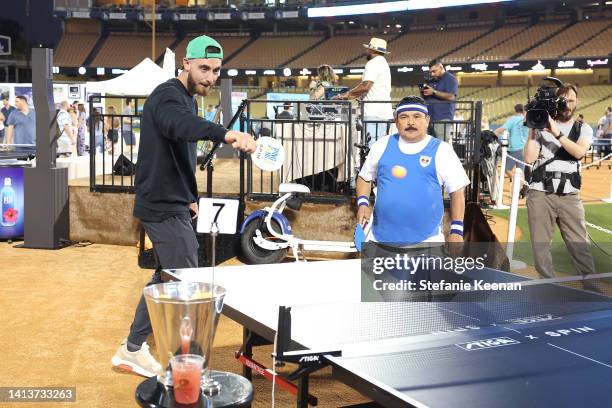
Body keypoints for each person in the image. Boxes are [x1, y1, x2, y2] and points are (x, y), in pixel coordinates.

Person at [111, 35, 256, 378]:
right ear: (186, 64)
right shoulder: (167, 96)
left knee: (167, 276)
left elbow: (179, 150)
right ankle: (182, 361)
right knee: (186, 281)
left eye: (216, 70)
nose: (210, 76)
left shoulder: (187, 99)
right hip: (161, 206)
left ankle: (132, 349)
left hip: (174, 201)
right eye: (203, 68)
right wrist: (226, 134)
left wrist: (189, 196)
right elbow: (181, 126)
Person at [523, 83, 596, 280]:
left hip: (569, 194)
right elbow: (529, 159)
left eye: (572, 100)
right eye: (564, 100)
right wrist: (533, 128)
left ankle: (591, 285)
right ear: (556, 101)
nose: (568, 104)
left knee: (579, 244)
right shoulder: (541, 125)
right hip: (540, 192)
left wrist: (556, 132)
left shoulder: (583, 128)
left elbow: (579, 152)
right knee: (540, 246)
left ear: (576, 101)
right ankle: (548, 286)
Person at [335, 37, 392, 144]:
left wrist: (345, 95)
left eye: (368, 49)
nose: (366, 51)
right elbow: (366, 89)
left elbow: (365, 86)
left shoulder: (373, 63)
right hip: (383, 113)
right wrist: (348, 96)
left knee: (371, 148)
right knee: (378, 148)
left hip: (373, 113)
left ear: (372, 50)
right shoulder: (383, 63)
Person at [420, 59, 458, 144]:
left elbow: (451, 97)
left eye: (434, 71)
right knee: (429, 144)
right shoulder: (432, 80)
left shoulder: (450, 78)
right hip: (430, 118)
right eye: (431, 72)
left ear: (441, 68)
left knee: (441, 145)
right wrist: (424, 92)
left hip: (443, 117)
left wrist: (434, 92)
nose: (432, 74)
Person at [495, 104, 529, 180]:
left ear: (515, 110)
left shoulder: (513, 119)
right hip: (524, 148)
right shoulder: (526, 120)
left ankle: (517, 182)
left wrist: (494, 133)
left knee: (507, 169)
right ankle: (522, 188)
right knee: (520, 170)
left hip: (515, 148)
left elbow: (501, 129)